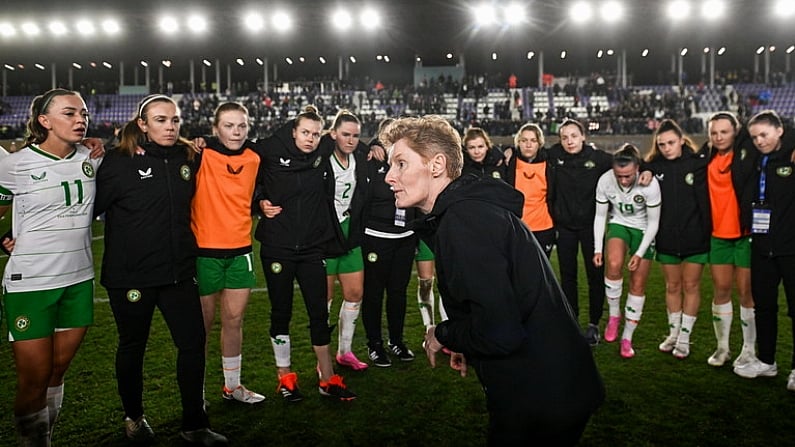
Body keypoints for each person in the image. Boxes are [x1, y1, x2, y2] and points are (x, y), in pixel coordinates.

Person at [382, 115, 604, 445]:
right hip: (551, 384)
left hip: (541, 396)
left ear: (437, 165)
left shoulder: (464, 220)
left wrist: (442, 334)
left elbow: (501, 332)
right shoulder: (466, 212)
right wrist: (465, 342)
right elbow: (496, 308)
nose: (389, 176)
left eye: (401, 163)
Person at [95, 94, 228, 445]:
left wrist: (206, 141)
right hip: (130, 277)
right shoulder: (118, 161)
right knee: (132, 346)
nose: (169, 127)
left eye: (174, 120)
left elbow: (229, 147)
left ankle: (194, 424)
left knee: (193, 344)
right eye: (160, 120)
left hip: (178, 273)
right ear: (143, 124)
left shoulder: (188, 157)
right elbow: (88, 207)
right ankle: (135, 419)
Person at [0, 89, 100, 445]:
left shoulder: (91, 156)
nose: (80, 120)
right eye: (70, 113)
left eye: (83, 114)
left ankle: (46, 436)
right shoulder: (14, 164)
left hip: (78, 279)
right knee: (34, 378)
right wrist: (5, 235)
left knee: (57, 371)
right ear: (45, 121)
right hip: (30, 283)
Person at [255, 105, 357, 402]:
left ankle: (328, 379)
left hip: (313, 247)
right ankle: (285, 378)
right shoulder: (272, 148)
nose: (310, 138)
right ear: (293, 131)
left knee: (318, 313)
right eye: (305, 132)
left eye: (315, 133)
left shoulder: (322, 149)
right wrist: (259, 200)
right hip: (278, 247)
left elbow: (350, 141)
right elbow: (249, 169)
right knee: (280, 311)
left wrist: (374, 146)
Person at [192, 103, 264, 404]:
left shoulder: (256, 157)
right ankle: (196, 393)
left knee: (234, 321)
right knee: (201, 328)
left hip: (240, 251)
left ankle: (232, 386)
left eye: (241, 126)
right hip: (204, 252)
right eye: (229, 125)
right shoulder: (199, 154)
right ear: (215, 128)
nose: (236, 132)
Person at [733, 110, 795, 388]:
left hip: (791, 246)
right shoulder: (756, 157)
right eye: (755, 136)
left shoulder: (790, 155)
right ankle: (767, 361)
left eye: (765, 135)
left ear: (780, 131)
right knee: (764, 307)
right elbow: (738, 140)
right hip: (761, 244)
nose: (759, 141)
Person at [643, 119, 710, 359]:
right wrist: (647, 169)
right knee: (672, 286)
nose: (667, 148)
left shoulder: (697, 164)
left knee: (691, 285)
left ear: (682, 140)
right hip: (667, 238)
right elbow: (638, 165)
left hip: (695, 236)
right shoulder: (653, 166)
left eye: (671, 142)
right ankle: (673, 333)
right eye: (662, 144)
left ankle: (684, 337)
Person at [547, 119, 612, 345]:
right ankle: (571, 320)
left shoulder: (598, 158)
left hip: (591, 229)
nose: (569, 141)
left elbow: (629, 162)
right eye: (564, 137)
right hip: (564, 229)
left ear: (583, 136)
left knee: (595, 276)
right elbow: (530, 153)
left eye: (574, 136)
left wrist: (649, 169)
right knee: (568, 277)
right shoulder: (554, 155)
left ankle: (594, 324)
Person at [702, 112, 760, 368]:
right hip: (718, 235)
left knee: (747, 292)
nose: (719, 137)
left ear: (736, 132)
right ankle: (723, 347)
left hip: (745, 234)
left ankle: (748, 350)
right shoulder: (707, 156)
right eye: (714, 132)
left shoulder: (747, 152)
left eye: (724, 132)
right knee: (721, 290)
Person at [593, 144, 661, 358]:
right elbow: (601, 215)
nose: (623, 180)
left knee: (637, 283)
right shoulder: (605, 180)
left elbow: (653, 223)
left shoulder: (650, 185)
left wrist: (639, 253)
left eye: (628, 176)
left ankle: (627, 338)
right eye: (619, 175)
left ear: (638, 169)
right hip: (619, 223)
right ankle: (614, 316)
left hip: (643, 229)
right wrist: (598, 248)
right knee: (612, 265)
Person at [361, 118, 418, 367]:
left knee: (398, 292)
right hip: (376, 238)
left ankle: (396, 340)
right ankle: (375, 345)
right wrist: (370, 145)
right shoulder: (371, 160)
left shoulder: (411, 160)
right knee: (373, 294)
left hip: (405, 238)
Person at [321, 109, 372, 370]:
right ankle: (323, 359)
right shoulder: (321, 158)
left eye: (355, 136)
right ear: (333, 134)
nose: (351, 140)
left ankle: (345, 351)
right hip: (326, 236)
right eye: (345, 135)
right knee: (324, 299)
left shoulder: (361, 158)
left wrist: (371, 146)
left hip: (351, 233)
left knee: (354, 293)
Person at [505, 122, 556, 258]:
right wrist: (508, 149)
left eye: (533, 140)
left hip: (544, 226)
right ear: (518, 143)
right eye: (524, 140)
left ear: (539, 143)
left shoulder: (550, 162)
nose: (528, 145)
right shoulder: (510, 163)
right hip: (518, 226)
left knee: (542, 272)